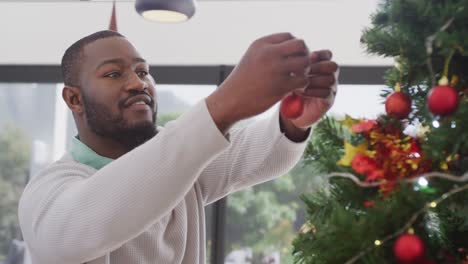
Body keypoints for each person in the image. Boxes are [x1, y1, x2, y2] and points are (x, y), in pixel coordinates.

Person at [18, 30, 338, 264]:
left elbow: (254, 153)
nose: (138, 83)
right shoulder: (48, 191)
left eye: (143, 71)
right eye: (114, 73)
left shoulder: (182, 166)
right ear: (74, 99)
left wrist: (294, 119)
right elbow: (81, 227)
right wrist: (224, 104)